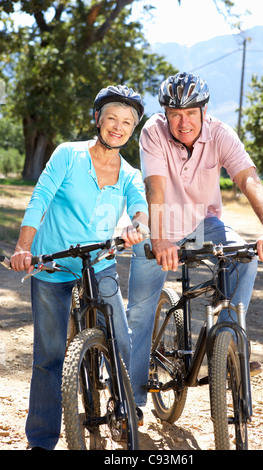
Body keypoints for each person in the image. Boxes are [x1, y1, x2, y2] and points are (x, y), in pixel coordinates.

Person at [126, 72, 263, 411]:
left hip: (201, 225)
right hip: (158, 224)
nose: (183, 123)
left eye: (190, 114)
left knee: (244, 257)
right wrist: (162, 237)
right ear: (165, 114)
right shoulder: (153, 132)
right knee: (139, 314)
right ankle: (133, 402)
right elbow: (155, 188)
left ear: (204, 111)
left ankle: (226, 347)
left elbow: (249, 180)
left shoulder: (222, 134)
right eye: (174, 114)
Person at [10, 85, 148, 450]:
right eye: (112, 119)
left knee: (120, 335)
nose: (118, 127)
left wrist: (138, 226)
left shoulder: (130, 174)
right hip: (52, 263)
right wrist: (24, 246)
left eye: (127, 123)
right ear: (98, 120)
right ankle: (41, 440)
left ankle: (124, 406)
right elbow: (40, 197)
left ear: (132, 130)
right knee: (50, 355)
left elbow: (140, 207)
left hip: (99, 261)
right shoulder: (68, 155)